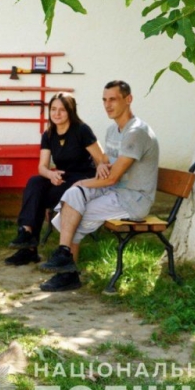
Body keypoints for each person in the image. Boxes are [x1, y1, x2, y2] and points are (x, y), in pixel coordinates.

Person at [38, 80, 159, 292]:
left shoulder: (136, 132)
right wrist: (102, 165)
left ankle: (67, 273)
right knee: (75, 195)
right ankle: (65, 256)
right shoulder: (113, 130)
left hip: (133, 198)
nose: (108, 105)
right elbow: (106, 162)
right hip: (115, 190)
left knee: (77, 207)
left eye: (113, 99)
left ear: (128, 99)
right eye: (104, 100)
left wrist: (85, 181)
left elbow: (113, 178)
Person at [4, 92, 106, 266]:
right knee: (35, 183)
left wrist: (102, 165)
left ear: (70, 111)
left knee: (39, 195)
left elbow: (102, 158)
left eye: (62, 110)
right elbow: (42, 167)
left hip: (82, 181)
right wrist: (51, 174)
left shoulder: (81, 130)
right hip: (62, 177)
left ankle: (29, 250)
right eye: (53, 109)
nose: (57, 114)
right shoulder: (49, 134)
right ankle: (26, 235)